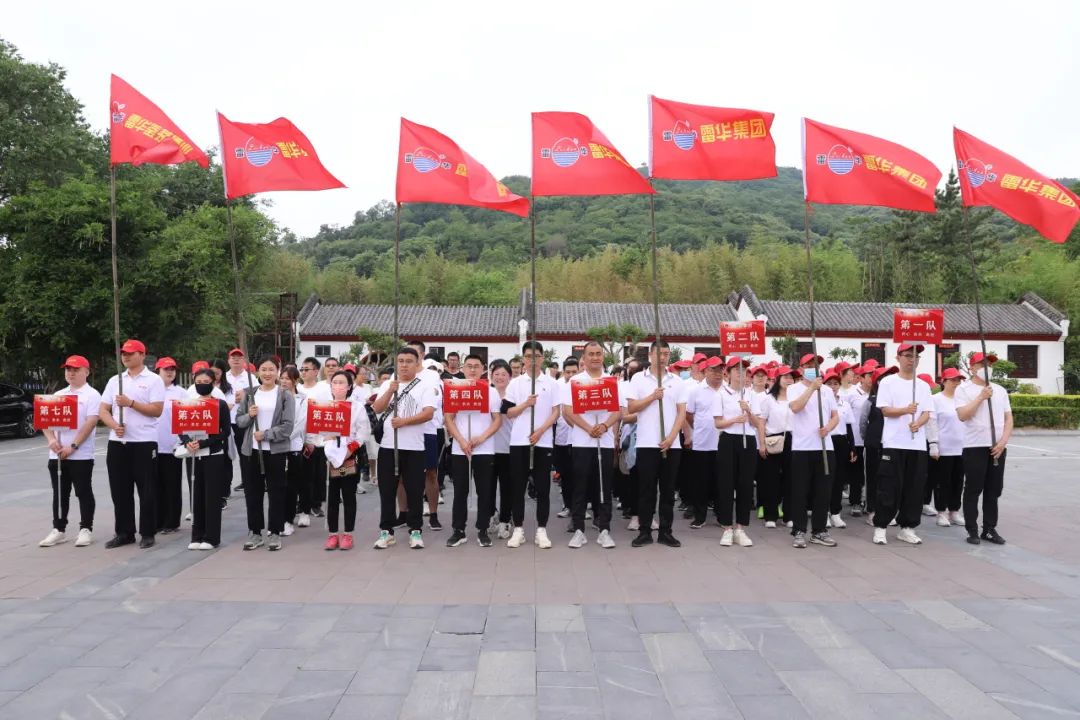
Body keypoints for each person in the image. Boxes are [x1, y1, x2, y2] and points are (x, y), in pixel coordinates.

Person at [99, 339, 166, 549]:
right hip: (118, 443)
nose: (126, 357)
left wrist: (131, 404)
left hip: (144, 442)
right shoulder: (115, 380)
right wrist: (113, 425)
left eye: (130, 353)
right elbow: (103, 410)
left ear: (142, 355)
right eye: (123, 354)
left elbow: (157, 410)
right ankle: (124, 532)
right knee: (120, 490)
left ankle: (147, 532)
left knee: (146, 490)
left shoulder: (154, 380)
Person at [371, 347, 438, 549]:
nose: (404, 365)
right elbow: (377, 408)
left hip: (415, 447)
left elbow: (428, 414)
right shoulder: (388, 385)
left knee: (415, 489)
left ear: (417, 364)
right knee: (387, 490)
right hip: (388, 447)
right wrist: (390, 391)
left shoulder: (425, 386)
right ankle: (386, 531)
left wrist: (405, 422)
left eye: (409, 361)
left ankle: (415, 530)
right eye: (401, 361)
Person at [562, 341, 623, 549]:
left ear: (603, 356)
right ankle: (579, 529)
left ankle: (604, 528)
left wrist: (605, 426)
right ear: (584, 358)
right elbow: (567, 411)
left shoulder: (611, 381)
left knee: (604, 487)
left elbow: (619, 411)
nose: (595, 357)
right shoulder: (575, 382)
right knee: (580, 485)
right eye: (591, 354)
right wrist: (588, 428)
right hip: (582, 441)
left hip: (604, 442)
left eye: (598, 354)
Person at [626, 341, 687, 549]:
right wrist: (653, 396)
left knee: (668, 490)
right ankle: (644, 531)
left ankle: (666, 531)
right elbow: (632, 406)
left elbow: (681, 412)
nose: (663, 358)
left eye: (667, 354)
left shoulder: (677, 381)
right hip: (646, 443)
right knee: (646, 489)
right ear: (651, 355)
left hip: (671, 444)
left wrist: (671, 437)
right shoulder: (638, 379)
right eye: (659, 354)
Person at [872, 344, 932, 546]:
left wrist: (918, 423)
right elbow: (885, 411)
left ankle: (907, 527)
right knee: (889, 486)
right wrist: (906, 410)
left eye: (916, 356)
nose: (912, 359)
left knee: (914, 488)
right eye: (907, 355)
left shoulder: (923, 385)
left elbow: (926, 412)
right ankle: (881, 527)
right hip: (893, 443)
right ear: (898, 358)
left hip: (916, 445)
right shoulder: (888, 382)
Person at [40, 355, 102, 548]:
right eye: (68, 369)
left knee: (83, 491)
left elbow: (91, 422)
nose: (71, 373)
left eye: (76, 369)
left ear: (86, 372)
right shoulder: (58, 394)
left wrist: (73, 446)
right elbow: (45, 420)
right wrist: (51, 440)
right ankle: (58, 529)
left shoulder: (92, 395)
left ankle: (86, 529)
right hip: (57, 454)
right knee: (59, 493)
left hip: (80, 454)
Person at [505, 341, 561, 549]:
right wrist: (525, 404)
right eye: (528, 357)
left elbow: (556, 412)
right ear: (523, 359)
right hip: (519, 440)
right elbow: (508, 412)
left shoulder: (552, 383)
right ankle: (518, 529)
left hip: (543, 441)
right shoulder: (515, 383)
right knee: (517, 486)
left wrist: (540, 431)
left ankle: (541, 530)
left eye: (536, 356)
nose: (532, 360)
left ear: (542, 358)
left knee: (543, 488)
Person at [236, 355, 295, 552]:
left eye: (271, 369)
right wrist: (249, 415)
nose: (267, 373)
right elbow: (240, 422)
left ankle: (275, 532)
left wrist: (267, 435)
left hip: (275, 452)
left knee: (277, 491)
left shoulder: (285, 395)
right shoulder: (250, 394)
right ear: (257, 372)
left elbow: (287, 427)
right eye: (263, 369)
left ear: (277, 371)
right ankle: (255, 532)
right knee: (253, 492)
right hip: (251, 451)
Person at [444, 355, 502, 548]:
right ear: (463, 368)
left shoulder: (491, 392)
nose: (473, 370)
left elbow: (497, 420)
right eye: (469, 366)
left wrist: (481, 438)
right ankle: (458, 530)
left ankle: (483, 529)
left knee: (485, 491)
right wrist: (460, 440)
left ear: (483, 369)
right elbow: (449, 419)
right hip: (461, 450)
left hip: (484, 449)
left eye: (477, 366)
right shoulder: (454, 389)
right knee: (460, 490)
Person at [955, 352, 1012, 545]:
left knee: (994, 490)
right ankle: (972, 529)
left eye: (989, 363)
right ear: (972, 367)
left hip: (997, 446)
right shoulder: (963, 389)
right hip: (974, 446)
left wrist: (1003, 442)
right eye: (982, 363)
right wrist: (981, 397)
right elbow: (963, 415)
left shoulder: (1000, 390)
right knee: (973, 488)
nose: (987, 366)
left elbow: (1008, 418)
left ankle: (989, 528)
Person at [787, 353, 839, 549]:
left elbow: (835, 416)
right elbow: (795, 407)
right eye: (809, 365)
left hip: (825, 447)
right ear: (801, 369)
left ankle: (819, 530)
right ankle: (799, 530)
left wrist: (829, 427)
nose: (813, 367)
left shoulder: (827, 390)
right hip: (802, 447)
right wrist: (811, 388)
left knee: (823, 491)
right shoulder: (794, 388)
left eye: (816, 364)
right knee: (800, 491)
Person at [713, 356, 765, 547]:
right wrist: (734, 420)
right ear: (728, 373)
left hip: (748, 440)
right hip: (728, 439)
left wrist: (748, 411)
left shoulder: (751, 395)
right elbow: (718, 422)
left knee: (745, 484)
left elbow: (758, 422)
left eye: (744, 370)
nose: (741, 373)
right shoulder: (721, 393)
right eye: (737, 370)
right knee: (726, 484)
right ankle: (727, 527)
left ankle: (741, 527)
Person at [184, 369, 231, 550]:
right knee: (196, 494)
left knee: (211, 496)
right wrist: (188, 442)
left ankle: (211, 537)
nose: (202, 383)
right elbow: (181, 429)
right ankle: (196, 535)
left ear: (213, 383)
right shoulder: (188, 405)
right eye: (199, 380)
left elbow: (225, 431)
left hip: (213, 454)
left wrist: (204, 443)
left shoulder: (220, 404)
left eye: (206, 380)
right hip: (194, 455)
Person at [323, 370, 371, 551]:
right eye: (334, 382)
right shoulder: (325, 407)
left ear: (349, 386)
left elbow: (363, 432)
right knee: (332, 497)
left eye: (342, 382)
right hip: (329, 457)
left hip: (349, 456)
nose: (338, 386)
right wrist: (326, 441)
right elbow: (316, 430)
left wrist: (350, 449)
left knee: (349, 496)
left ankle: (348, 534)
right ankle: (332, 534)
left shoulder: (357, 407)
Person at [685, 356, 724, 529]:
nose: (717, 373)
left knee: (722, 481)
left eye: (720, 370)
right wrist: (699, 428)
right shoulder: (695, 391)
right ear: (705, 371)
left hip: (724, 443)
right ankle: (700, 516)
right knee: (701, 481)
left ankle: (722, 515)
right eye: (713, 370)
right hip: (702, 442)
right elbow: (689, 414)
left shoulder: (728, 390)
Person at [758, 365, 797, 529]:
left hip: (793, 440)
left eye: (791, 377)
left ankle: (789, 515)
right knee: (771, 479)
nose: (789, 380)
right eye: (785, 377)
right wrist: (761, 444)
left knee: (791, 479)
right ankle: (770, 515)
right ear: (777, 380)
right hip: (773, 439)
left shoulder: (797, 398)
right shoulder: (768, 399)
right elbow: (761, 422)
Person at [154, 357, 187, 535]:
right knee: (155, 485)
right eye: (166, 369)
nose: (169, 372)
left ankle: (172, 521)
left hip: (173, 445)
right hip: (152, 445)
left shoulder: (180, 393)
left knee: (172, 485)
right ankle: (157, 520)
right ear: (158, 371)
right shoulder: (152, 391)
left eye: (172, 369)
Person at [929, 368, 965, 527]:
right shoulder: (935, 399)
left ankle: (954, 511)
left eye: (958, 380)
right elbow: (931, 422)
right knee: (943, 481)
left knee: (958, 481)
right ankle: (941, 512)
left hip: (962, 447)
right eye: (952, 380)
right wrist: (933, 444)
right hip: (944, 447)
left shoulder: (963, 399)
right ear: (943, 382)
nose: (956, 383)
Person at [824, 369, 856, 530]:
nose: (833, 386)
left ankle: (835, 512)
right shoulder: (820, 402)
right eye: (829, 383)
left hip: (841, 441)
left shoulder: (845, 403)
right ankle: (824, 513)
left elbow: (849, 426)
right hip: (826, 440)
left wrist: (852, 447)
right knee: (825, 478)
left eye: (835, 383)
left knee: (839, 478)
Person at [299, 357, 330, 522]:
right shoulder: (297, 389)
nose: (303, 372)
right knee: (303, 474)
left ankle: (316, 504)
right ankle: (302, 505)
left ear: (316, 371)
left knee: (317, 474)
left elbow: (327, 412)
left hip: (318, 439)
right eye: (302, 369)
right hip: (299, 439)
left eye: (307, 369)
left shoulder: (324, 389)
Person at [279, 367, 308, 536]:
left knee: (291, 486)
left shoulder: (302, 399)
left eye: (288, 378)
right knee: (277, 486)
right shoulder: (275, 396)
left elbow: (300, 424)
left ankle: (288, 520)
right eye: (281, 378)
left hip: (293, 446)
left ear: (295, 381)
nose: (284, 381)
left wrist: (284, 436)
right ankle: (277, 520)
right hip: (275, 446)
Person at [488, 360, 514, 539]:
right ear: (491, 376)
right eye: (496, 374)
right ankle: (491, 515)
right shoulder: (486, 393)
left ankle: (506, 520)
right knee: (487, 487)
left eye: (503, 374)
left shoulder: (515, 394)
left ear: (510, 377)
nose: (499, 377)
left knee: (507, 487)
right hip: (487, 448)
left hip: (508, 447)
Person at [225, 349, 254, 493]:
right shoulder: (224, 377)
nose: (236, 360)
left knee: (245, 454)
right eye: (233, 357)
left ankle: (247, 482)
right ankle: (225, 488)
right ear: (228, 360)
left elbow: (257, 396)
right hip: (226, 421)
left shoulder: (250, 378)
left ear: (244, 361)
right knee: (226, 455)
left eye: (239, 358)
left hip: (243, 421)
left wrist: (246, 395)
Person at [845, 364, 872, 517]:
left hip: (872, 440)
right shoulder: (851, 394)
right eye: (869, 375)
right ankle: (855, 501)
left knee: (871, 473)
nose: (872, 379)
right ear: (861, 378)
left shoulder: (879, 393)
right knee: (856, 473)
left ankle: (869, 501)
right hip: (856, 440)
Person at [554, 356, 579, 520]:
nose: (571, 375)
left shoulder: (583, 386)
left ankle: (579, 508)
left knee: (579, 475)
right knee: (565, 474)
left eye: (574, 372)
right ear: (563, 372)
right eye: (568, 372)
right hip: (561, 437)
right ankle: (567, 505)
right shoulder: (557, 387)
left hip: (579, 437)